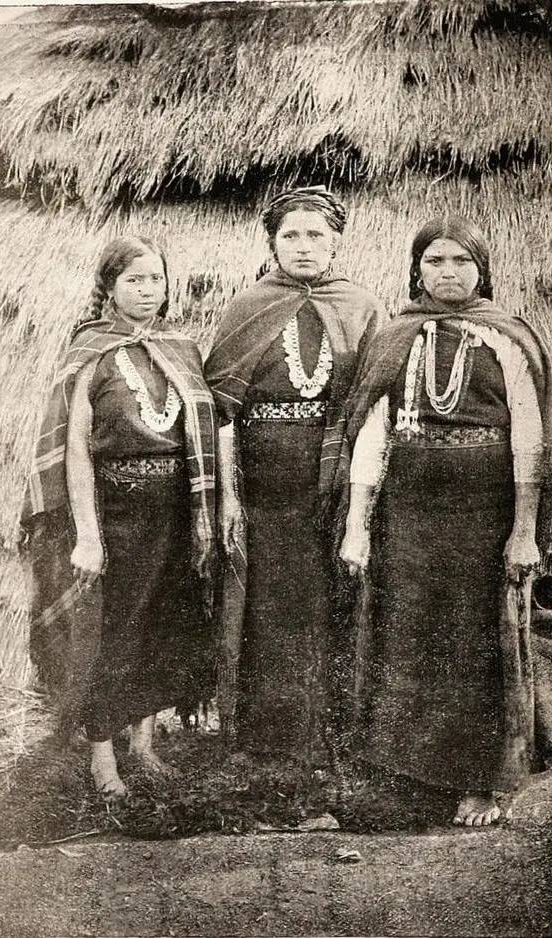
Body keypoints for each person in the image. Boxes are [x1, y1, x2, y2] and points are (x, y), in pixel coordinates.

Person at [340, 216, 552, 826]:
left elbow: (530, 432)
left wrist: (522, 529)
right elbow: (371, 433)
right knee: (407, 632)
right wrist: (357, 524)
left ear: (482, 270)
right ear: (417, 268)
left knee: (476, 639)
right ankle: (408, 772)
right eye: (435, 261)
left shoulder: (508, 338)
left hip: (485, 510)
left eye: (460, 262)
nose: (447, 273)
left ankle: (482, 780)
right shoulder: (395, 336)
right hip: (408, 510)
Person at [21, 235, 217, 803]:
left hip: (174, 513)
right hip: (114, 511)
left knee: (161, 623)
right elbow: (74, 448)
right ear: (108, 286)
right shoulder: (90, 352)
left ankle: (144, 744)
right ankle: (103, 757)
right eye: (134, 279)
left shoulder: (181, 348)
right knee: (113, 633)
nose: (147, 290)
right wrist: (87, 535)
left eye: (156, 279)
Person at [204, 186, 386, 764]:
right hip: (264, 484)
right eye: (290, 235)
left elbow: (375, 403)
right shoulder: (247, 307)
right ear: (272, 243)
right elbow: (222, 411)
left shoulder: (360, 305)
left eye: (315, 235)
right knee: (269, 609)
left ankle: (327, 744)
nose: (303, 247)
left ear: (336, 241)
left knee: (328, 605)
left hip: (333, 481)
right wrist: (231, 498)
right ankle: (264, 745)